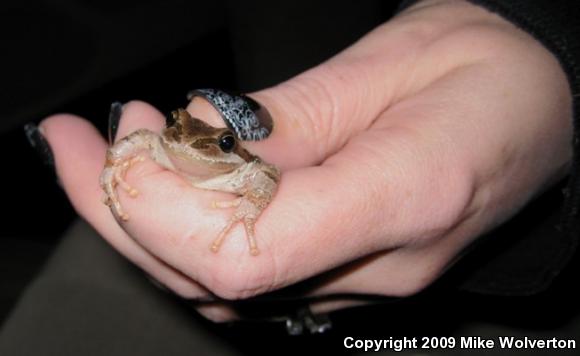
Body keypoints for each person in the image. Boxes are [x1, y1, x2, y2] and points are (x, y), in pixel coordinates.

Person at [3, 0, 580, 354]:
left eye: (222, 139)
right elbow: (148, 138)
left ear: (229, 143)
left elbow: (262, 180)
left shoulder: (235, 163)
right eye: (181, 122)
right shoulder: (174, 137)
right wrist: (120, 163)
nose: (183, 135)